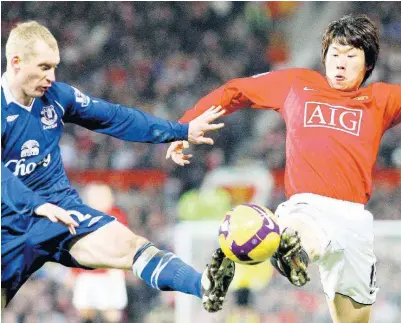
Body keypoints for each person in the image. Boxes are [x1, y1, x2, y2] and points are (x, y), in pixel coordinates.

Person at [167, 14, 401, 323]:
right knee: (304, 233)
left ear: (368, 64)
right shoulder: (298, 84)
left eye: (351, 55)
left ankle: (265, 250)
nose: (340, 63)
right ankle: (289, 251)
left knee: (354, 320)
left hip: (355, 220)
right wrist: (184, 127)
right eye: (334, 54)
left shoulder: (381, 98)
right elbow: (236, 90)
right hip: (307, 206)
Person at [1, 21, 235, 313]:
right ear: (16, 62)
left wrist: (181, 131)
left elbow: (116, 117)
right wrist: (34, 205)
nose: (52, 77)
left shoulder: (58, 98)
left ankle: (204, 285)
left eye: (55, 67)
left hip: (60, 216)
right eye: (44, 67)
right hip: (6, 227)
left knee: (130, 246)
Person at [70, 183, 129, 323]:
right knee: (84, 309)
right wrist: (73, 272)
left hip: (110, 272)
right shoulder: (80, 217)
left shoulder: (117, 217)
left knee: (112, 311)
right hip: (86, 272)